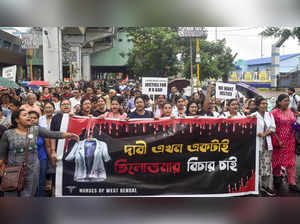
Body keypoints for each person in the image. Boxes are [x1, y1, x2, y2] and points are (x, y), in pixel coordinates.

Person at [0, 109, 79, 197]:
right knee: (11, 196)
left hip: (32, 169)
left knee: (28, 195)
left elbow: (51, 134)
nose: (29, 117)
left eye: (28, 115)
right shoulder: (8, 134)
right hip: (13, 170)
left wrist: (69, 135)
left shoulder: (35, 130)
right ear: (17, 120)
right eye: (25, 115)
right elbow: (2, 155)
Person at [271, 94, 300, 192]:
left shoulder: (291, 112)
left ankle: (292, 183)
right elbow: (271, 128)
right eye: (284, 100)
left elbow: (294, 124)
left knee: (291, 162)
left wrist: (297, 126)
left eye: (288, 100)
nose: (287, 102)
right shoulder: (274, 113)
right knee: (277, 160)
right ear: (279, 102)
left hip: (290, 141)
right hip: (278, 141)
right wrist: (277, 140)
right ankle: (277, 178)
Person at [252, 97, 276, 196]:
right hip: (256, 145)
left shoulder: (269, 115)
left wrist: (265, 134)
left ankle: (265, 186)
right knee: (256, 166)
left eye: (266, 103)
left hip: (267, 145)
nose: (265, 105)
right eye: (262, 103)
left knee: (266, 166)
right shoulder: (253, 115)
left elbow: (273, 128)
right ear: (258, 105)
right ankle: (255, 187)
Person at [29, 111, 48, 197]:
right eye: (31, 118)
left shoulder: (42, 130)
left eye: (35, 118)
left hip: (41, 158)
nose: (32, 120)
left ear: (38, 119)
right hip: (28, 159)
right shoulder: (23, 129)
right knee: (29, 182)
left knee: (41, 181)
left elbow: (47, 146)